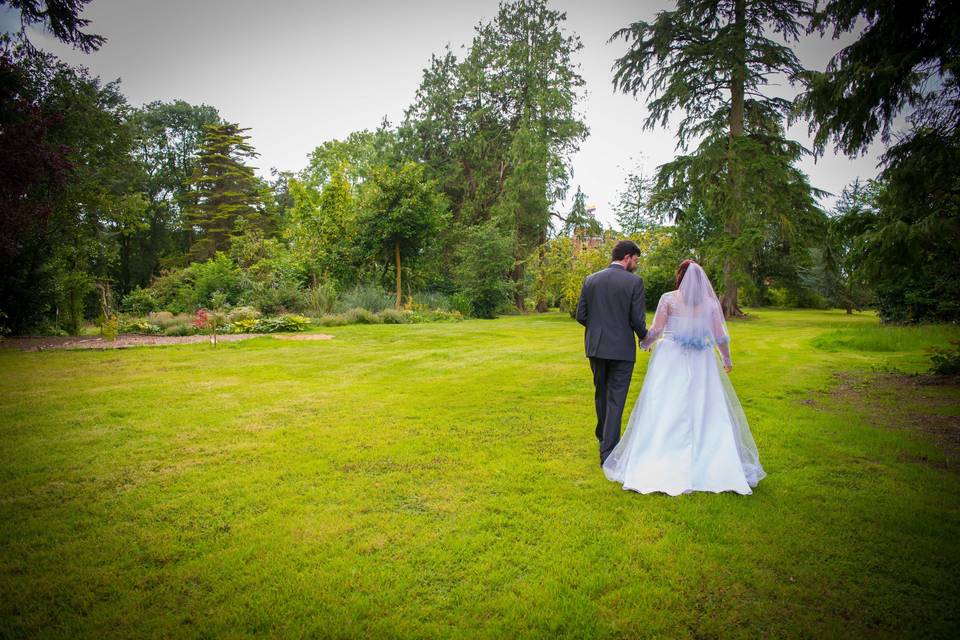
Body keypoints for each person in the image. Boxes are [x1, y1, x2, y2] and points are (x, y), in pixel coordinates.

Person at [602, 260, 766, 495]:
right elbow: (720, 336)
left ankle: (661, 454)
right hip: (702, 360)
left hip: (671, 358)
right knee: (705, 405)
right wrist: (726, 359)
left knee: (666, 403)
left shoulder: (668, 298)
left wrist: (645, 342)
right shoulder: (710, 303)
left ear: (680, 276)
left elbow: (657, 330)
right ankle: (712, 459)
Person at [575, 240, 647, 465]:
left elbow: (581, 315)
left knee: (602, 394)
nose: (636, 264)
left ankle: (603, 436)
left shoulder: (591, 280)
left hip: (596, 347)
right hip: (621, 349)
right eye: (635, 259)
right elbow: (637, 319)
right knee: (616, 399)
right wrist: (645, 335)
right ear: (627, 257)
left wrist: (597, 329)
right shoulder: (634, 282)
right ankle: (608, 452)